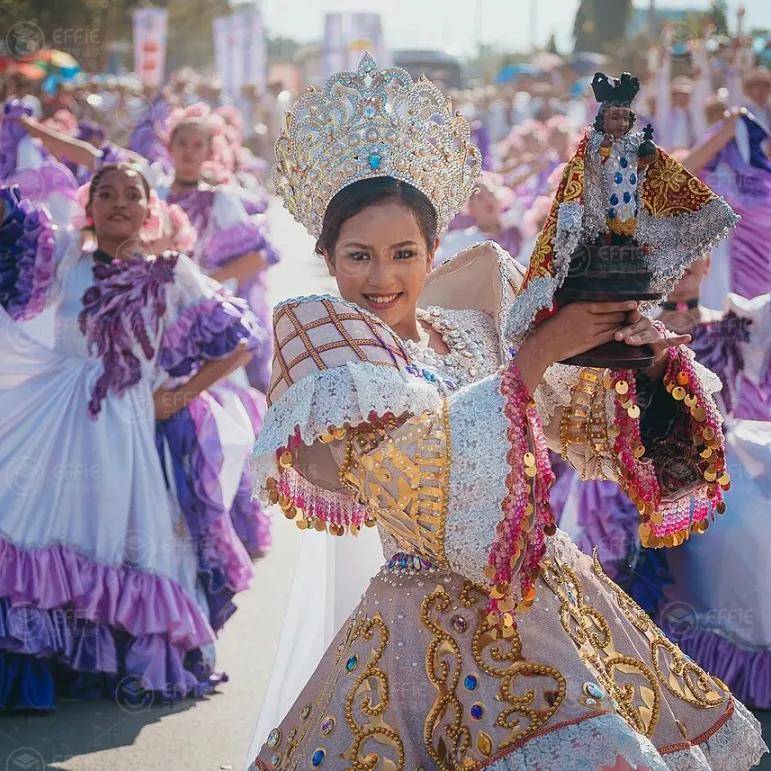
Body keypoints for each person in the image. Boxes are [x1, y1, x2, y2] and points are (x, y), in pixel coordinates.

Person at [246, 54, 766, 769]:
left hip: (550, 598)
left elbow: (585, 422)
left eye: (403, 252)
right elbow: (409, 469)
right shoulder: (322, 338)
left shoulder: (471, 324)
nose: (381, 275)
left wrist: (636, 360)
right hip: (423, 624)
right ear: (328, 257)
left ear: (433, 250)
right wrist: (536, 355)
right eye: (358, 255)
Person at [0, 163, 266, 708]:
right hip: (53, 412)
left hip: (125, 423)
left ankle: (111, 657)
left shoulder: (172, 273)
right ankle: (35, 659)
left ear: (150, 211)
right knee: (29, 520)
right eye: (106, 193)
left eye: (131, 195)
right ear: (89, 206)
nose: (119, 203)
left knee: (117, 537)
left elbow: (241, 342)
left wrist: (180, 395)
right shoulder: (66, 255)